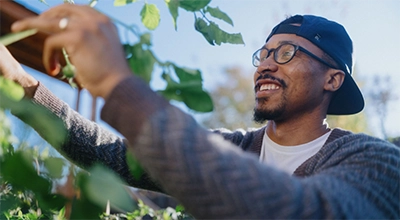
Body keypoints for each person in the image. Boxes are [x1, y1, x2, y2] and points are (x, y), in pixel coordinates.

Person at [1, 4, 399, 219]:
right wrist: (22, 86)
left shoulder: (376, 162)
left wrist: (120, 86)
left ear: (332, 80)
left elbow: (303, 210)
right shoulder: (233, 146)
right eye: (263, 54)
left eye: (287, 53)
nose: (264, 65)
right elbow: (107, 152)